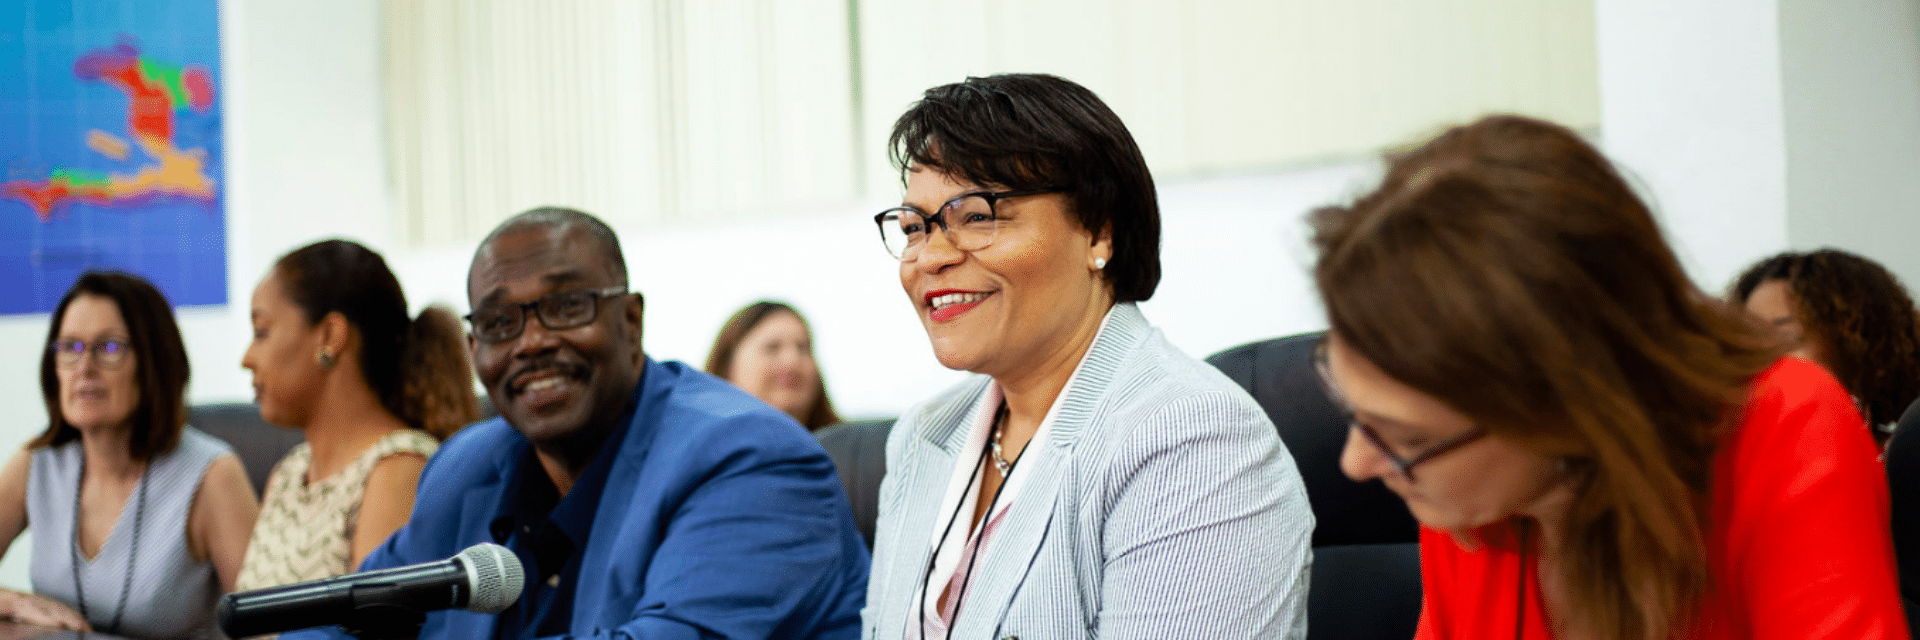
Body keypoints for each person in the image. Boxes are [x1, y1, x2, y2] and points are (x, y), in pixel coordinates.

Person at [1311, 114, 1907, 639]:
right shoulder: (1464, 499)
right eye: (1352, 411)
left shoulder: (1783, 426)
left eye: (1406, 437)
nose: (1356, 462)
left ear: (1567, 408)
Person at [862, 74, 1313, 639]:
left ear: (1099, 233)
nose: (930, 257)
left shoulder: (1192, 439)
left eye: (976, 216)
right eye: (914, 227)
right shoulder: (925, 435)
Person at [282, 207, 868, 640]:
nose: (531, 342)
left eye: (566, 308)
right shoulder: (465, 468)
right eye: (500, 322)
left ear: (630, 321)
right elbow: (342, 624)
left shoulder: (750, 460)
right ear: (474, 349)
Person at [0, 271, 258, 639]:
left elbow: (267, 629)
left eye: (109, 347)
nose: (84, 367)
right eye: (70, 347)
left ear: (154, 361)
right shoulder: (38, 462)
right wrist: (11, 602)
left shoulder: (213, 475)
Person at [236, 239, 481, 592]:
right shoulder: (289, 472)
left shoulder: (398, 469)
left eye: (262, 332)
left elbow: (377, 621)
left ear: (330, 336)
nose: (247, 358)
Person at [1730, 249, 1920, 443]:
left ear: (1856, 348)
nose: (1760, 358)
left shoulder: (1905, 454)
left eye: (1785, 338)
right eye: (1750, 339)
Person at [704, 300, 842, 430]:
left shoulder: (849, 443)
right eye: (772, 347)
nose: (792, 360)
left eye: (802, 348)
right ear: (727, 365)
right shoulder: (702, 443)